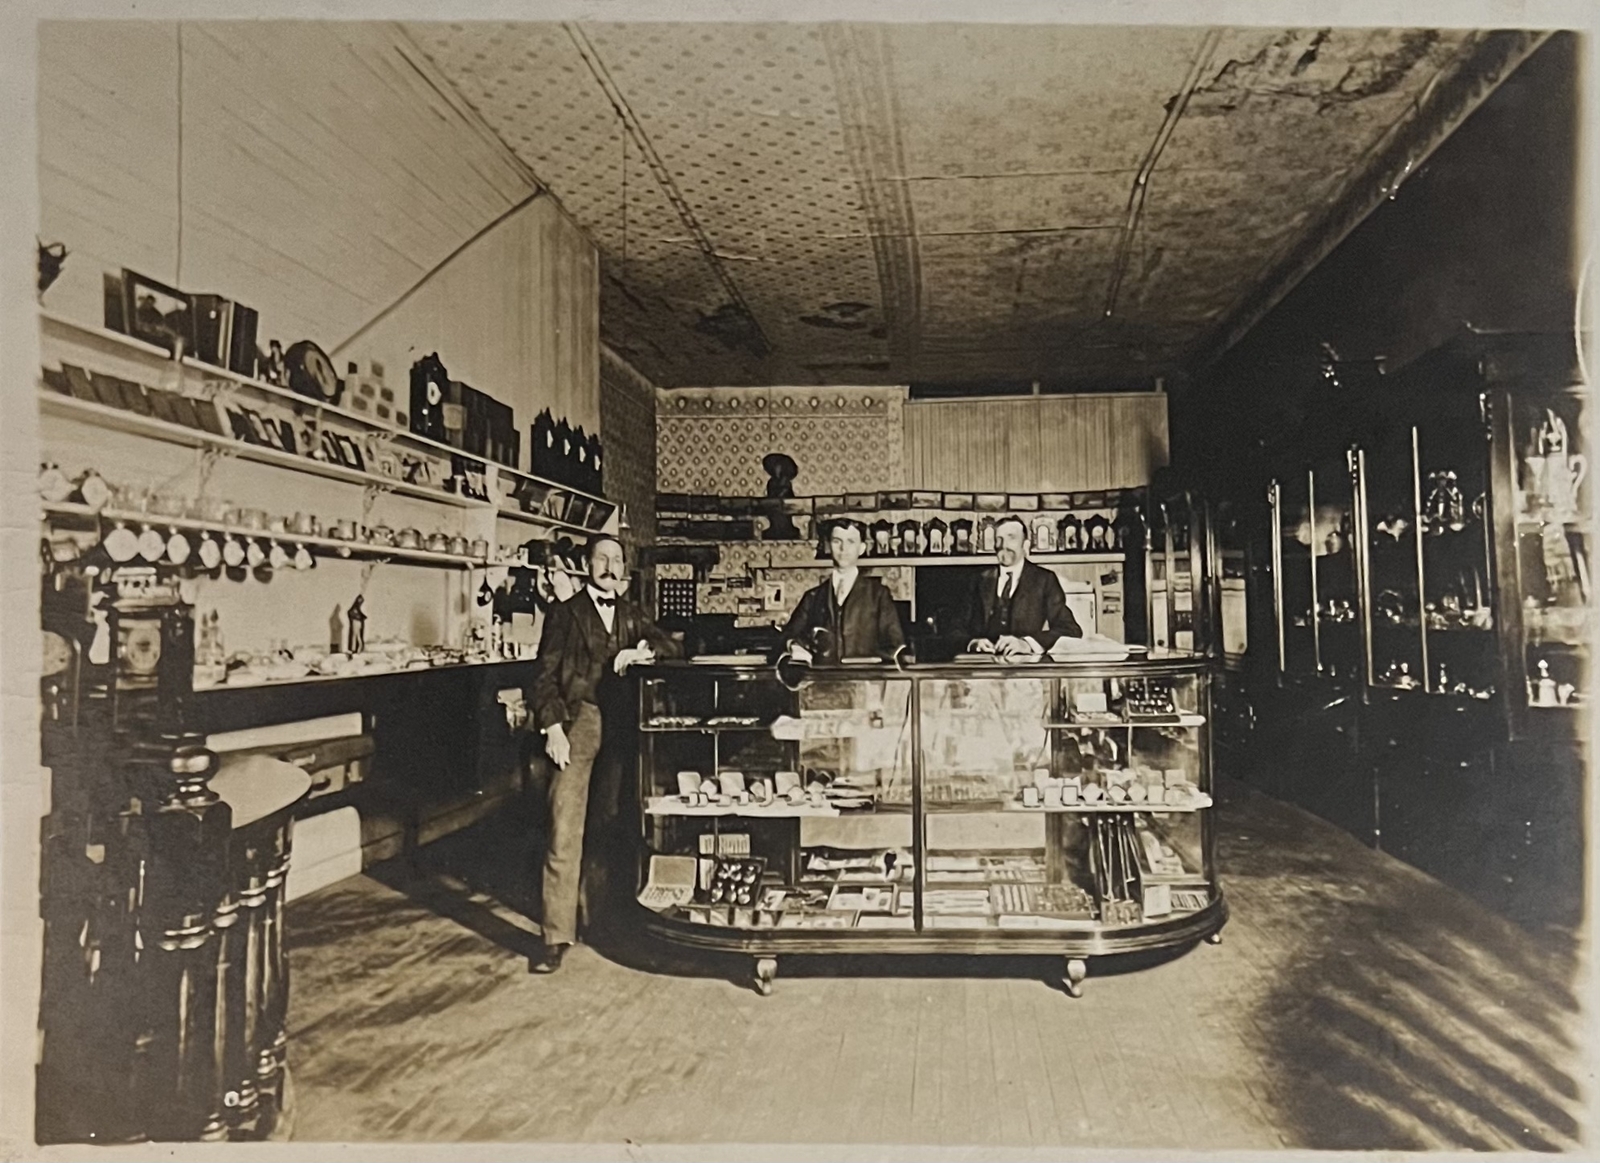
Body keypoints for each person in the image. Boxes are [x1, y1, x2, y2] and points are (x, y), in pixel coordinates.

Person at [528, 535, 681, 973]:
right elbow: (542, 676)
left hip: (623, 725)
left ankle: (599, 919)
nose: (610, 568)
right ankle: (555, 935)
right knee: (565, 825)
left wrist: (643, 650)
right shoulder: (565, 612)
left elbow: (674, 646)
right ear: (587, 565)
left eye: (617, 561)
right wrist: (553, 727)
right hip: (578, 722)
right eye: (602, 559)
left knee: (612, 823)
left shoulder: (632, 614)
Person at [782, 519, 907, 663]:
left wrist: (870, 662)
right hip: (823, 681)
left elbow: (896, 645)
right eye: (837, 541)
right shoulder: (813, 597)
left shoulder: (878, 595)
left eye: (851, 542)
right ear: (829, 546)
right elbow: (788, 637)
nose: (843, 548)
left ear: (862, 548)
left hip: (865, 681)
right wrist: (795, 647)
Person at [965, 515, 1082, 658]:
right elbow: (954, 628)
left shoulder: (1044, 580)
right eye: (999, 539)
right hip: (984, 670)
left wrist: (1027, 644)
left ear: (1025, 545)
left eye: (1011, 538)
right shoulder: (978, 580)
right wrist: (973, 642)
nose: (1003, 545)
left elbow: (1070, 630)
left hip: (1026, 670)